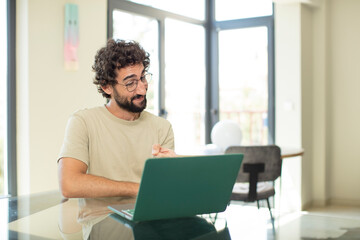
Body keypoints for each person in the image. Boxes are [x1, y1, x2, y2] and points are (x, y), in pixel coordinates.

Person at [58, 39, 176, 199]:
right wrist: (138, 188)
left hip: (150, 218)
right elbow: (69, 184)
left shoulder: (162, 127)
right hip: (101, 219)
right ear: (107, 87)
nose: (142, 88)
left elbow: (166, 190)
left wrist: (172, 171)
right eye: (130, 83)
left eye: (142, 78)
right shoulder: (83, 122)